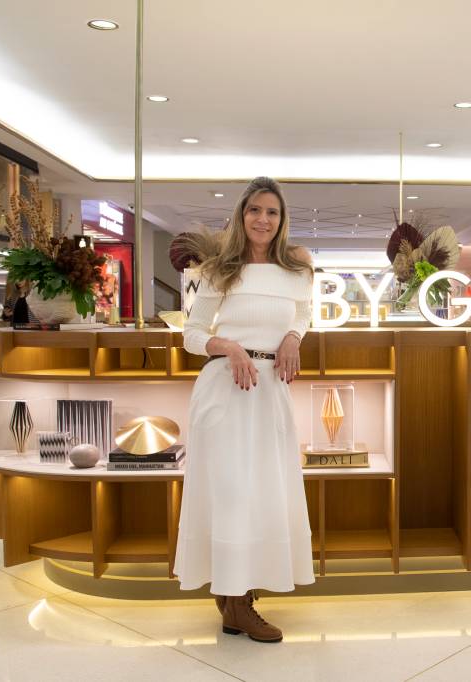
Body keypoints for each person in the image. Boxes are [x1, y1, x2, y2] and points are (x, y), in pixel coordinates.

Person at [173, 177, 315, 642]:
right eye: (255, 210)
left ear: (282, 219)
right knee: (231, 493)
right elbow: (191, 334)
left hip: (270, 391)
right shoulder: (220, 268)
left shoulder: (298, 265)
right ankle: (237, 601)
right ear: (242, 214)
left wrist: (293, 338)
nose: (263, 219)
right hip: (225, 390)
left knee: (263, 495)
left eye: (271, 212)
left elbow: (302, 313)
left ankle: (236, 596)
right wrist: (228, 346)